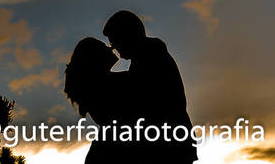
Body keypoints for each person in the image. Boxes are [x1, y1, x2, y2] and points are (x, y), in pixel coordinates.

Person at [102, 10, 197, 164]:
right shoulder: (145, 55)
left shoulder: (152, 51)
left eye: (114, 42)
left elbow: (137, 87)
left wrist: (104, 77)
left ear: (127, 35)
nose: (114, 48)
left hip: (169, 145)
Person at [64, 37, 136, 164]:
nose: (111, 47)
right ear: (94, 58)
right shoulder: (109, 85)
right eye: (104, 46)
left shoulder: (98, 86)